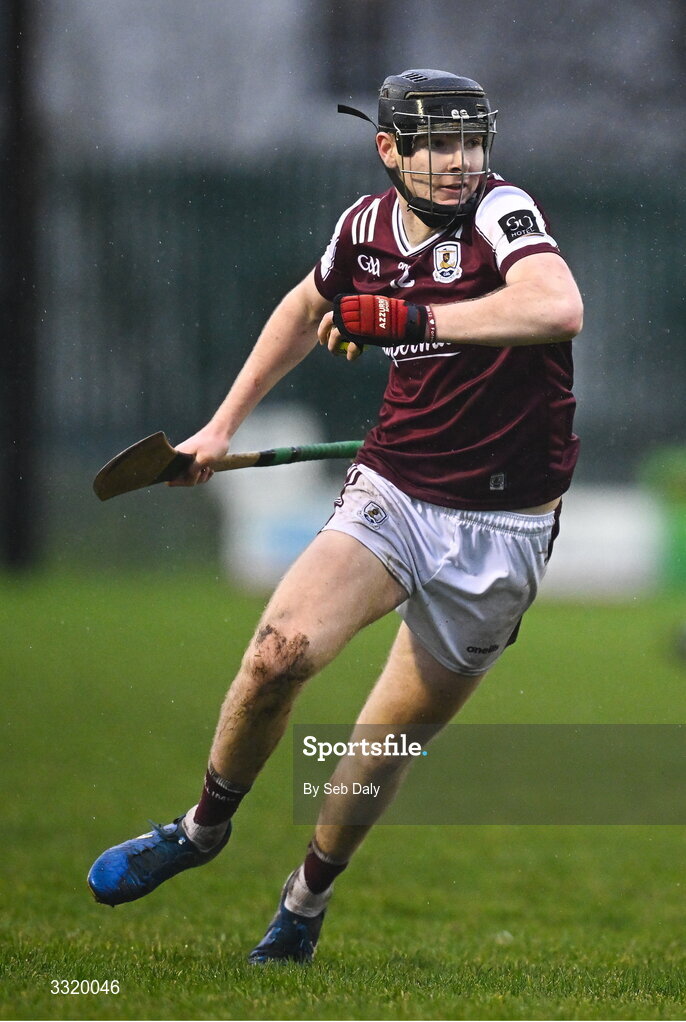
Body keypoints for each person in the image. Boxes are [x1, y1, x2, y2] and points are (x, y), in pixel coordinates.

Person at [88, 69, 583, 963]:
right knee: (282, 653)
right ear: (389, 150)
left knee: (379, 742)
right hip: (395, 487)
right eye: (437, 143)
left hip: (505, 534)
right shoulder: (362, 229)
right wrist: (219, 426)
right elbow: (304, 305)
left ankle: (305, 900)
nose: (460, 161)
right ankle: (201, 830)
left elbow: (557, 307)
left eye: (472, 141)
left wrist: (404, 312)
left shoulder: (503, 214)